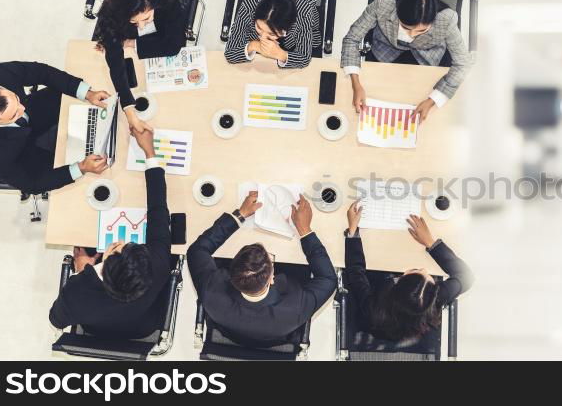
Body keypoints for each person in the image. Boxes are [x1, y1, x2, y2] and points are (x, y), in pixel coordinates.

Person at [49, 126, 172, 339]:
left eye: (117, 247)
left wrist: (81, 272)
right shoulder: (158, 267)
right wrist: (150, 153)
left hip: (98, 328)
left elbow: (56, 320)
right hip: (141, 326)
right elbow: (158, 210)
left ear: (104, 263)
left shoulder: (76, 293)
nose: (120, 241)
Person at [186, 194, 337, 347]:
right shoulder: (294, 308)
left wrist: (239, 215)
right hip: (272, 337)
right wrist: (305, 230)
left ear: (230, 273)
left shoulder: (211, 292)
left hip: (233, 333)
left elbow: (196, 250)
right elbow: (328, 279)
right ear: (272, 278)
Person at [0, 62, 111, 195]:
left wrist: (87, 93)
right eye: (14, 115)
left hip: (38, 110)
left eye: (16, 99)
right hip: (25, 153)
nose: (22, 109)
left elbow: (42, 72)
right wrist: (80, 168)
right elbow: (32, 183)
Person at [342, 201, 474, 342]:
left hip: (379, 326)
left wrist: (352, 231)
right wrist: (430, 243)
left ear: (399, 281)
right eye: (429, 277)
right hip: (406, 327)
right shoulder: (432, 298)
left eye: (417, 271)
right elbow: (466, 276)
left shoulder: (372, 308)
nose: (424, 269)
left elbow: (355, 272)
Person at [341, 0, 473, 122]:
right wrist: (355, 84)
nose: (412, 35)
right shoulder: (384, 1)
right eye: (406, 28)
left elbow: (463, 63)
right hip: (385, 51)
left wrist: (433, 100)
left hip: (425, 57)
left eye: (421, 30)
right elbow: (352, 38)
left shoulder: (446, 19)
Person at [94, 0, 187, 134]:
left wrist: (132, 43)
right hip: (138, 59)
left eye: (146, 18)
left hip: (156, 44)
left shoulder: (168, 0)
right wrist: (129, 109)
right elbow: (115, 62)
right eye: (134, 21)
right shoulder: (114, 9)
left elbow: (175, 44)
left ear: (154, 5)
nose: (142, 26)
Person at [224, 0, 322, 69]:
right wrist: (254, 45)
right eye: (259, 27)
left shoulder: (304, 12)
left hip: (292, 45)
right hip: (254, 52)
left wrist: (280, 54)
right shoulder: (251, 5)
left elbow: (304, 57)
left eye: (271, 33)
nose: (263, 37)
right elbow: (230, 52)